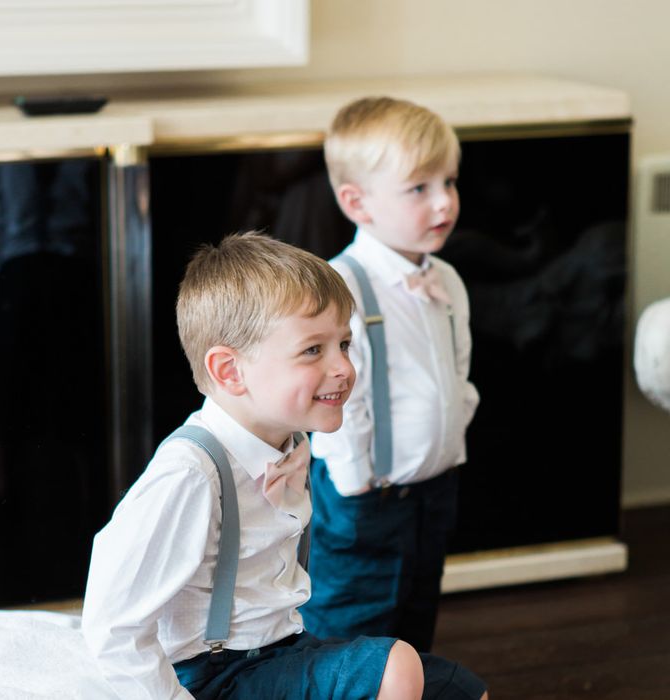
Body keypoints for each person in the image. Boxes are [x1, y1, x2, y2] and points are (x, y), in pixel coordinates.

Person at [81, 232, 487, 699]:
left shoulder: (289, 442)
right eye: (313, 350)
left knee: (460, 690)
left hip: (279, 651)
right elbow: (113, 625)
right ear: (230, 371)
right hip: (214, 678)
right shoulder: (191, 474)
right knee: (395, 665)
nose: (344, 368)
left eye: (345, 344)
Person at [300, 97, 480, 653]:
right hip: (368, 498)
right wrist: (356, 479)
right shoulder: (343, 286)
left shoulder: (446, 278)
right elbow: (338, 395)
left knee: (415, 617)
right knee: (352, 625)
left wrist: (450, 438)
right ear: (358, 203)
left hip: (433, 487)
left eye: (448, 182)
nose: (444, 201)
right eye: (419, 189)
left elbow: (458, 364)